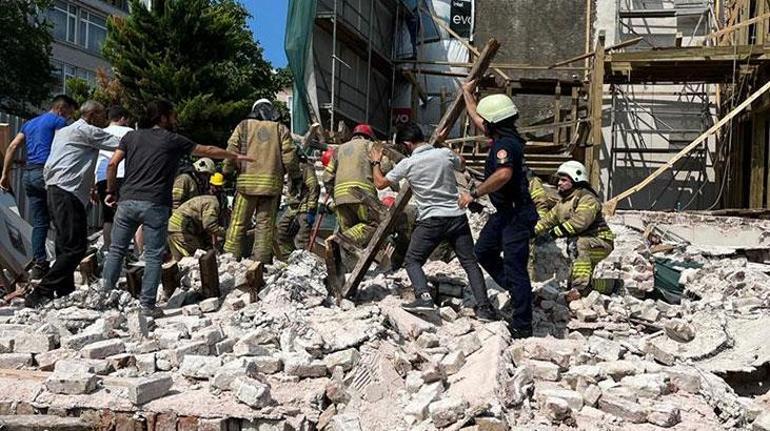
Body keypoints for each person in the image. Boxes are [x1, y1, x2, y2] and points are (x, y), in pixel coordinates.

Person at [101, 100, 253, 317]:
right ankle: (147, 306)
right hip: (155, 204)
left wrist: (110, 191)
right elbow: (206, 150)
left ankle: (104, 297)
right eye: (172, 116)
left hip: (127, 202)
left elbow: (112, 164)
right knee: (154, 256)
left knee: (116, 249)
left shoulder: (130, 137)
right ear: (162, 118)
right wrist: (235, 156)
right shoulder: (172, 139)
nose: (175, 120)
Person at [370, 122, 498, 321]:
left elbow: (379, 183)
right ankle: (484, 309)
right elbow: (462, 163)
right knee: (470, 263)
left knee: (412, 261)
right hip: (456, 216)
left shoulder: (408, 163)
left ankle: (424, 297)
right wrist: (444, 144)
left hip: (431, 219)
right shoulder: (442, 154)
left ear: (406, 144)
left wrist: (375, 162)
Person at [457, 81, 539, 339]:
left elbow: (503, 174)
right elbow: (479, 118)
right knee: (483, 251)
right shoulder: (503, 135)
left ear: (494, 123)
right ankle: (518, 292)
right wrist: (467, 93)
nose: (481, 125)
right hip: (505, 212)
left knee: (515, 266)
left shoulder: (506, 146)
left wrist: (474, 193)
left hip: (517, 214)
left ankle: (523, 324)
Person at [24, 101, 121, 307]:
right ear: (93, 115)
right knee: (76, 247)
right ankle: (41, 291)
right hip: (68, 192)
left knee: (64, 244)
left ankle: (65, 290)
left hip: (55, 188)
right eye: (103, 115)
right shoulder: (86, 131)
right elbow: (121, 143)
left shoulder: (66, 131)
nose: (105, 120)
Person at [0, 95, 78, 280]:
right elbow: (69, 148)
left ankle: (39, 263)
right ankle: (62, 263)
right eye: (69, 114)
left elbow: (12, 147)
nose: (68, 118)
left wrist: (5, 174)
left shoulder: (30, 123)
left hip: (29, 174)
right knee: (61, 219)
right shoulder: (59, 122)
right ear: (62, 109)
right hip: (48, 174)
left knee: (39, 222)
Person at [222, 99, 301, 263]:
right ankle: (261, 262)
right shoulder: (280, 129)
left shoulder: (243, 126)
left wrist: (227, 172)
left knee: (238, 224)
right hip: (271, 188)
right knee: (264, 227)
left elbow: (231, 150)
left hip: (246, 187)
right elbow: (290, 157)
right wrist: (296, 176)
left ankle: (228, 259)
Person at [534, 161, 615, 297]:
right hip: (582, 242)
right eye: (559, 180)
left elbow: (580, 222)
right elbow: (547, 220)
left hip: (601, 241)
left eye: (564, 180)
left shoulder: (587, 198)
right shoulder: (563, 203)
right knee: (574, 275)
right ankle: (612, 285)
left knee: (579, 246)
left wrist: (553, 234)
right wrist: (530, 232)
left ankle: (580, 291)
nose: (559, 183)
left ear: (577, 179)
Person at [322, 123, 391, 247]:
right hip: (362, 196)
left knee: (349, 246)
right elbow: (386, 167)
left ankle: (344, 258)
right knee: (374, 225)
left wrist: (335, 196)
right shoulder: (370, 146)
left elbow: (327, 177)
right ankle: (338, 240)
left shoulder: (338, 149)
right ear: (369, 137)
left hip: (340, 198)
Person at [94, 105, 138, 251]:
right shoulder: (131, 133)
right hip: (126, 176)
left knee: (108, 217)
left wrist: (92, 185)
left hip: (103, 176)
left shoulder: (99, 132)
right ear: (123, 118)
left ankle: (108, 250)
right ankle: (137, 252)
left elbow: (95, 159)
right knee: (133, 217)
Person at [167, 172, 227, 260]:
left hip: (172, 229)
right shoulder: (212, 203)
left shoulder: (203, 199)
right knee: (197, 258)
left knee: (179, 262)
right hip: (183, 232)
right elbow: (209, 225)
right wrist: (225, 233)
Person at [276, 148, 320, 257]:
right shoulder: (292, 169)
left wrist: (311, 209)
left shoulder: (305, 168)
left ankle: (303, 261)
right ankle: (288, 257)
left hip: (304, 207)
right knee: (281, 231)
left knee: (302, 239)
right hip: (292, 207)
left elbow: (314, 187)